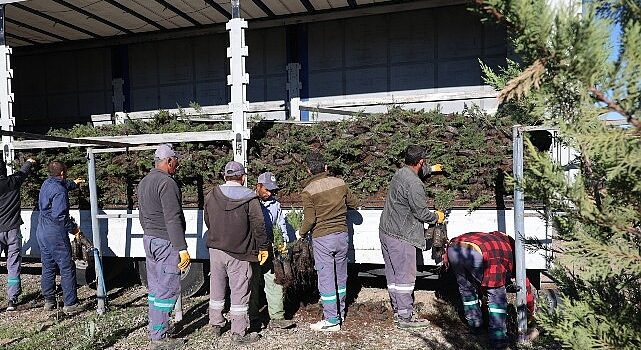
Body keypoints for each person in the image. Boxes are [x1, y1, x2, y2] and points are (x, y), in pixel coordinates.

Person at [378, 144, 445, 329]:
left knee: (393, 275)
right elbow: (421, 213)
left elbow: (414, 174)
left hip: (386, 231)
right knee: (406, 277)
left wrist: (430, 170)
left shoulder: (400, 173)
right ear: (421, 161)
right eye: (425, 163)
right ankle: (406, 318)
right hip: (402, 235)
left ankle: (398, 308)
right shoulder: (415, 184)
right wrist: (436, 216)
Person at [204, 161, 269, 344]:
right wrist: (263, 247)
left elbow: (207, 220)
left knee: (216, 286)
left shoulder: (211, 194)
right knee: (239, 290)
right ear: (242, 177)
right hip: (240, 252)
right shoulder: (250, 197)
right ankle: (239, 332)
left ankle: (216, 323)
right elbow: (258, 225)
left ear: (225, 176)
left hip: (216, 250)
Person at [298, 152, 360, 332]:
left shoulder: (308, 191)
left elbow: (310, 220)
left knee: (326, 278)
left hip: (323, 238)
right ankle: (340, 312)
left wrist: (301, 233)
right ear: (325, 168)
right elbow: (355, 203)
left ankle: (332, 320)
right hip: (342, 235)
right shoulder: (340, 183)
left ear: (309, 171)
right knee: (340, 276)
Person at [138, 144, 190, 350]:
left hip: (150, 239)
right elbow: (172, 217)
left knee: (155, 288)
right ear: (168, 161)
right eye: (176, 160)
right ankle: (159, 338)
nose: (177, 164)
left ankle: (156, 329)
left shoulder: (144, 182)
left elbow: (142, 214)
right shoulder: (167, 183)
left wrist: (149, 233)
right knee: (167, 289)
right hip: (165, 241)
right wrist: (182, 247)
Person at [445, 231, 535, 350]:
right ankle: (498, 339)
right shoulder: (507, 252)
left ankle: (476, 326)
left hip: (454, 248)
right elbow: (525, 286)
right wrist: (530, 311)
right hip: (479, 252)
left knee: (467, 288)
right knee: (496, 296)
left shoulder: (493, 238)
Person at [249, 171, 296, 329]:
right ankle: (253, 318)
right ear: (258, 186)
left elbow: (281, 224)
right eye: (267, 190)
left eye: (272, 191)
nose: (269, 193)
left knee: (275, 282)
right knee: (252, 283)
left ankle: (277, 317)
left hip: (271, 250)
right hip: (253, 250)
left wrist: (283, 242)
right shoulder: (249, 202)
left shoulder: (275, 205)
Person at [36, 160, 84, 315]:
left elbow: (62, 185)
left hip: (42, 231)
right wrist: (74, 229)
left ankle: (49, 301)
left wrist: (74, 184)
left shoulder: (47, 183)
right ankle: (70, 304)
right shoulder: (59, 191)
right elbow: (60, 216)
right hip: (55, 232)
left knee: (48, 266)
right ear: (62, 173)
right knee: (66, 266)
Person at [0, 157, 36, 311]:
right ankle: (12, 300)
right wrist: (29, 161)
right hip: (13, 230)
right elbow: (23, 172)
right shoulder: (13, 182)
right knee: (13, 263)